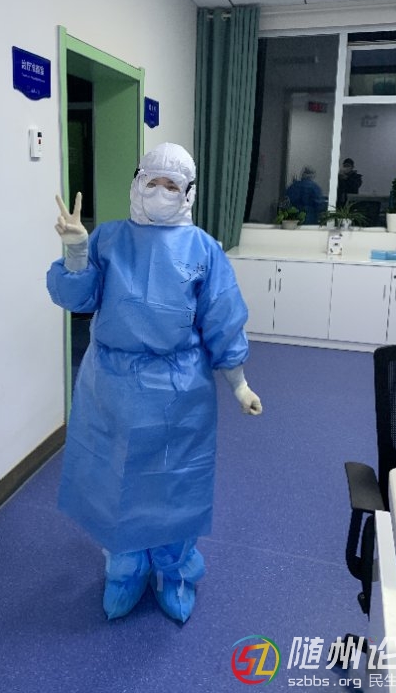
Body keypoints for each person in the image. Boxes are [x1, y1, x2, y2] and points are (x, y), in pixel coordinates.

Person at [47, 142, 262, 624]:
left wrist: (239, 384)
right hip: (111, 386)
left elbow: (223, 319)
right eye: (153, 182)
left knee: (174, 484)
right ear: (137, 182)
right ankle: (124, 569)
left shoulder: (203, 250)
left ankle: (173, 571)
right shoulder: (107, 239)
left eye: (172, 185)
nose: (161, 192)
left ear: (188, 193)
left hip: (179, 390)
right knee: (114, 481)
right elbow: (78, 298)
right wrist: (77, 250)